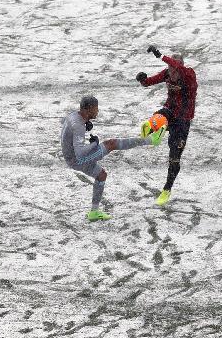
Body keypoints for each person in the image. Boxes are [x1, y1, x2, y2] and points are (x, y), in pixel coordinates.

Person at [61, 96, 162, 222]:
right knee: (111, 144)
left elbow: (66, 126)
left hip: (71, 158)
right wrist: (94, 143)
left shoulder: (74, 116)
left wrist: (85, 123)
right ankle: (152, 140)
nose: (98, 111)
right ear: (89, 109)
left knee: (101, 175)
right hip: (78, 159)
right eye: (96, 109)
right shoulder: (78, 125)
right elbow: (80, 152)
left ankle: (94, 213)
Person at [136, 45, 198, 205]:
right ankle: (155, 131)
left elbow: (177, 66)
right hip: (170, 111)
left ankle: (167, 189)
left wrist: (161, 55)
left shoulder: (189, 74)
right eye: (169, 68)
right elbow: (150, 81)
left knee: (174, 159)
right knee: (160, 114)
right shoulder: (168, 72)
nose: (171, 72)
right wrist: (142, 80)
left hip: (183, 120)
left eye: (174, 68)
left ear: (181, 68)